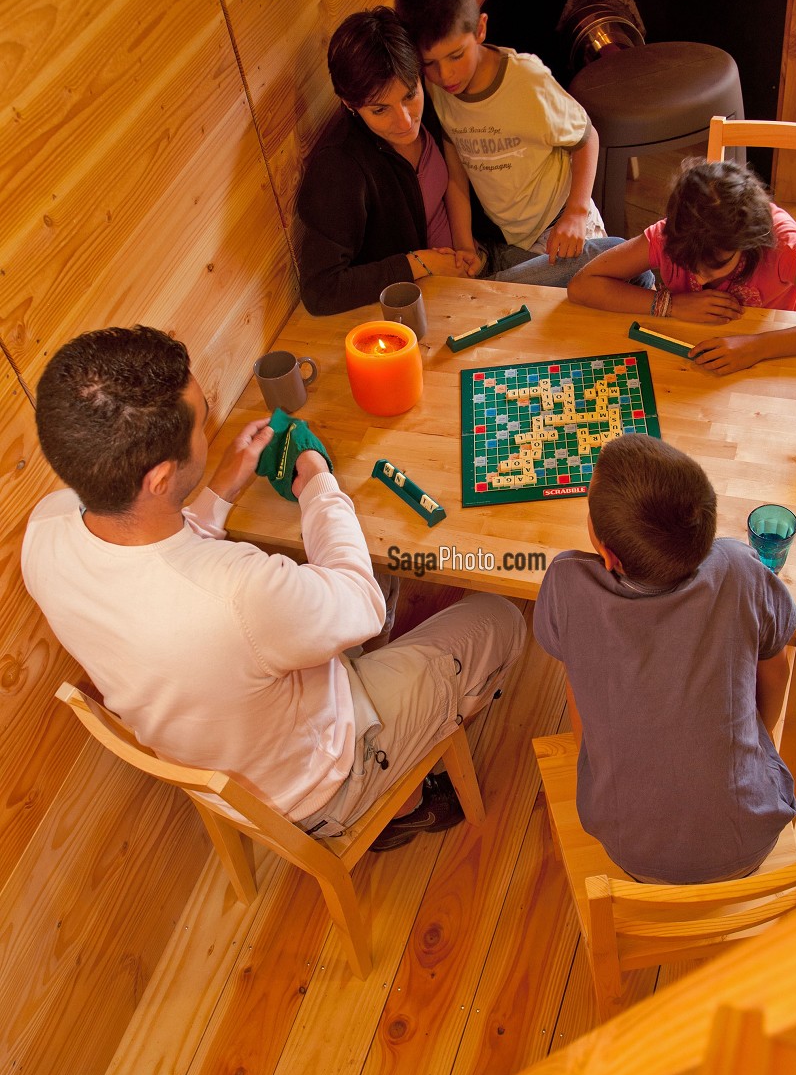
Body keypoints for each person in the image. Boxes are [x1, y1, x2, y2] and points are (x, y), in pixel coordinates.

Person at [22, 326, 525, 850]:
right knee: (501, 616)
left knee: (369, 575)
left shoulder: (45, 529)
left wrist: (221, 488)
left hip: (230, 760)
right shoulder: (237, 593)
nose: (208, 428)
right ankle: (400, 801)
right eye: (202, 422)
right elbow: (361, 602)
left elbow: (155, 558)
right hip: (320, 788)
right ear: (161, 477)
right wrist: (317, 481)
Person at [533, 434, 796, 883]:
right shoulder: (741, 566)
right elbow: (776, 671)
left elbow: (579, 690)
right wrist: (754, 741)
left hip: (631, 855)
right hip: (753, 837)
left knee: (577, 676)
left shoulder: (565, 582)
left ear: (608, 554)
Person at [296, 8, 615, 315]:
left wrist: (466, 245)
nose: (405, 120)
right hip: (444, 294)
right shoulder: (340, 168)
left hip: (482, 257)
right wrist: (422, 262)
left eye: (409, 95)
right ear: (350, 104)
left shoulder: (437, 103)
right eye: (380, 110)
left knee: (611, 261)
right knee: (595, 278)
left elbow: (458, 174)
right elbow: (320, 290)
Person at [394, 0, 622, 283]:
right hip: (515, 242)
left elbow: (586, 138)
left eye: (457, 55)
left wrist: (576, 213)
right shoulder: (438, 89)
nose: (445, 75)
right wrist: (463, 245)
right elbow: (456, 168)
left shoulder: (527, 81)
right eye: (430, 63)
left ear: (481, 30)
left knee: (592, 302)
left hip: (563, 224)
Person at [567, 158, 796, 375]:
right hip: (696, 359)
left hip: (781, 356)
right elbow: (583, 285)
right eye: (689, 264)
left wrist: (756, 347)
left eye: (717, 265)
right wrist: (668, 304)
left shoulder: (780, 244)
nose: (700, 276)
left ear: (748, 242)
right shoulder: (673, 234)